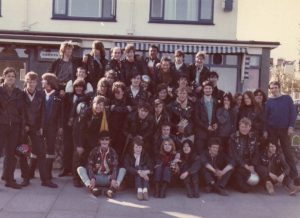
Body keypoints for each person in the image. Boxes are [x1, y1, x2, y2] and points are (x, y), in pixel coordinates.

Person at [23, 72, 58, 188]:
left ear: (36, 83)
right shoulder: (21, 94)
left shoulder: (40, 95)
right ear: (26, 82)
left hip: (36, 128)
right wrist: (24, 125)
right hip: (23, 128)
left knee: (41, 153)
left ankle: (45, 180)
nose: (32, 84)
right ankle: (26, 178)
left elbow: (43, 112)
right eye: (29, 82)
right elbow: (20, 112)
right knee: (22, 152)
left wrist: (41, 127)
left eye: (34, 82)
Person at [264, 81, 300, 185]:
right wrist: (265, 130)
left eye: (275, 87)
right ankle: (274, 178)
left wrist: (291, 126)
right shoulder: (269, 101)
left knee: (288, 153)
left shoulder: (287, 99)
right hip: (272, 130)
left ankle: (295, 176)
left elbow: (293, 113)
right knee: (273, 154)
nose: (273, 90)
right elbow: (265, 118)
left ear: (279, 88)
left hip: (284, 130)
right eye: (272, 88)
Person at [73, 95, 109, 187]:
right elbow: (78, 130)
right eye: (97, 104)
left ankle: (86, 178)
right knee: (79, 159)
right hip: (82, 139)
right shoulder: (85, 112)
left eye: (102, 105)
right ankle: (76, 179)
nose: (99, 107)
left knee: (89, 160)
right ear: (93, 104)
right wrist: (79, 145)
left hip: (93, 141)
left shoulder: (103, 114)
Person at [59, 78, 91, 177]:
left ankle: (76, 171)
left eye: (81, 87)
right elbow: (63, 111)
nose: (78, 88)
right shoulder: (68, 97)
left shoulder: (86, 98)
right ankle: (65, 169)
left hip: (79, 126)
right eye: (76, 86)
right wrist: (61, 126)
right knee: (66, 147)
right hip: (68, 125)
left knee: (77, 148)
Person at [0, 67, 24, 189]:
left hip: (14, 126)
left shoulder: (18, 92)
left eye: (13, 76)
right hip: (1, 125)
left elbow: (21, 111)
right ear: (4, 77)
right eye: (8, 76)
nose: (11, 78)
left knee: (11, 154)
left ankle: (9, 179)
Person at [77, 131, 120, 198]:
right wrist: (92, 178)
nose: (104, 141)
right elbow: (90, 165)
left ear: (109, 141)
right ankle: (92, 188)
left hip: (108, 178)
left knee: (123, 170)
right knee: (80, 169)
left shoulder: (113, 152)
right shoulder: (94, 151)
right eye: (102, 139)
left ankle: (112, 189)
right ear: (99, 141)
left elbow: (115, 166)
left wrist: (113, 178)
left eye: (106, 139)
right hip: (96, 178)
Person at [41, 73, 63, 181]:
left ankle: (48, 173)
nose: (42, 82)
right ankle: (32, 172)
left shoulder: (58, 96)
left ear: (48, 83)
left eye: (43, 80)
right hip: (41, 126)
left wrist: (60, 127)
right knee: (38, 149)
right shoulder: (40, 94)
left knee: (50, 149)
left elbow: (61, 113)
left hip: (52, 127)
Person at [229, 117, 260, 193]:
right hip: (239, 165)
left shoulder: (253, 137)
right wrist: (245, 165)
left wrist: (253, 164)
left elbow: (256, 153)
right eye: (242, 127)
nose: (244, 129)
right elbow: (234, 155)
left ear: (250, 127)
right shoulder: (233, 137)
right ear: (239, 126)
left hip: (250, 163)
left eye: (246, 127)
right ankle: (234, 182)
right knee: (245, 189)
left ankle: (266, 183)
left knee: (262, 170)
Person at [124, 136, 153, 200]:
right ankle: (139, 190)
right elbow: (127, 167)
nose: (138, 149)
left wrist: (145, 172)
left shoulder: (145, 155)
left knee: (144, 167)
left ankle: (145, 190)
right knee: (138, 167)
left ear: (142, 148)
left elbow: (151, 166)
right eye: (136, 147)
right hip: (132, 177)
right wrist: (139, 172)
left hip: (144, 176)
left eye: (140, 147)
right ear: (132, 148)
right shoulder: (128, 155)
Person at [194, 81, 218, 154]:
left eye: (209, 88)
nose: (208, 90)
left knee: (210, 154)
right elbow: (196, 118)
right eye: (206, 88)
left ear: (212, 89)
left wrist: (216, 123)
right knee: (200, 153)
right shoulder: (198, 102)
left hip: (212, 133)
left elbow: (217, 115)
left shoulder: (215, 101)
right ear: (203, 90)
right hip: (201, 133)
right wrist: (206, 126)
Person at [110, 81, 131, 156]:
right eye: (115, 92)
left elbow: (133, 109)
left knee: (121, 150)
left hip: (123, 130)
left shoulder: (128, 100)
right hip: (112, 129)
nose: (117, 94)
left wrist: (115, 108)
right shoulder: (111, 100)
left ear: (123, 92)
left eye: (119, 92)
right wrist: (125, 109)